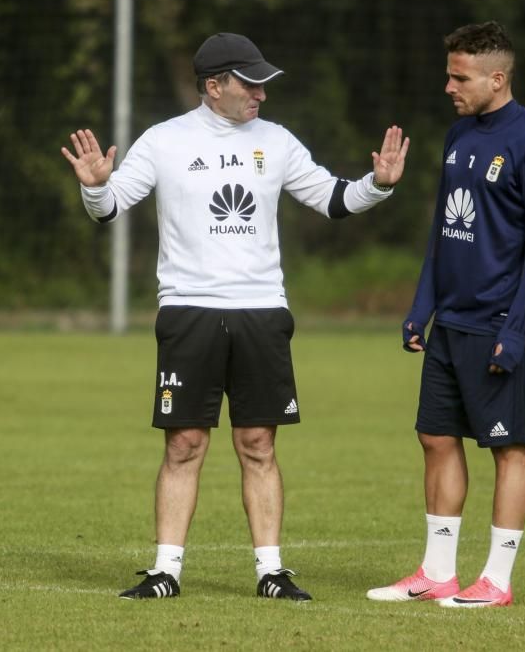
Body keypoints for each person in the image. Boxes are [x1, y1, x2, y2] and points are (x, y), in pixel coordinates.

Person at [61, 32, 409, 601]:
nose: (261, 96)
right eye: (251, 83)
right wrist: (95, 188)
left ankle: (271, 572)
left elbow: (332, 198)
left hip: (262, 311)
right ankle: (165, 572)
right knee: (184, 444)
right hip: (189, 310)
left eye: (263, 84)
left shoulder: (276, 142)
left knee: (258, 443)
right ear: (214, 85)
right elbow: (110, 205)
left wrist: (380, 186)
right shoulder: (164, 140)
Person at [366, 21, 525, 608]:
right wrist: (421, 306)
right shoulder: (458, 136)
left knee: (509, 448)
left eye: (461, 76)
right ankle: (437, 572)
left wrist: (516, 329)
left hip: (501, 324)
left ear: (497, 78)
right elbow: (443, 231)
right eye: (449, 72)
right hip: (450, 324)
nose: (449, 84)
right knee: (435, 436)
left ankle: (497, 581)